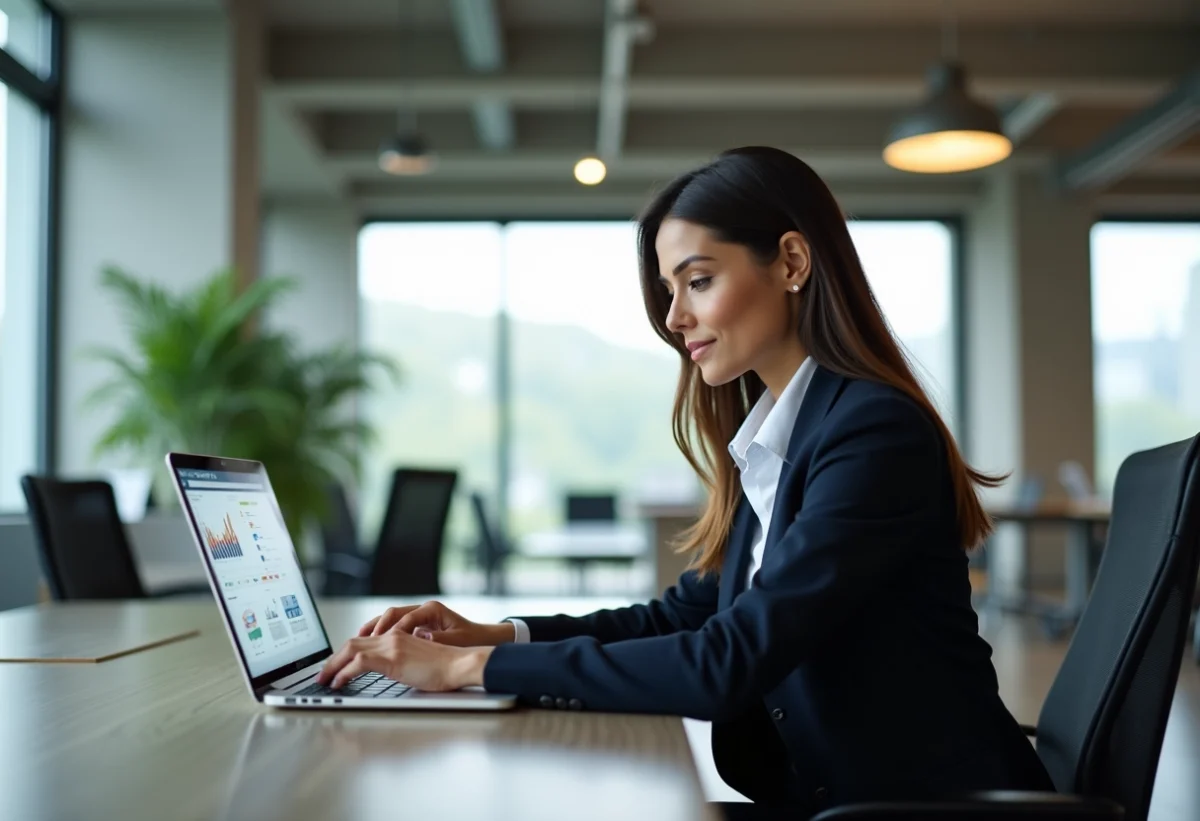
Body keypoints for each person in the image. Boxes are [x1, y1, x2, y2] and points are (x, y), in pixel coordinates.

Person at [317, 146, 1054, 818]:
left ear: (792, 261)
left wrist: (470, 667)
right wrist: (498, 633)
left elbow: (726, 661)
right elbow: (683, 616)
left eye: (698, 281)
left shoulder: (871, 433)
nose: (675, 317)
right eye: (671, 290)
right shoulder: (787, 437)